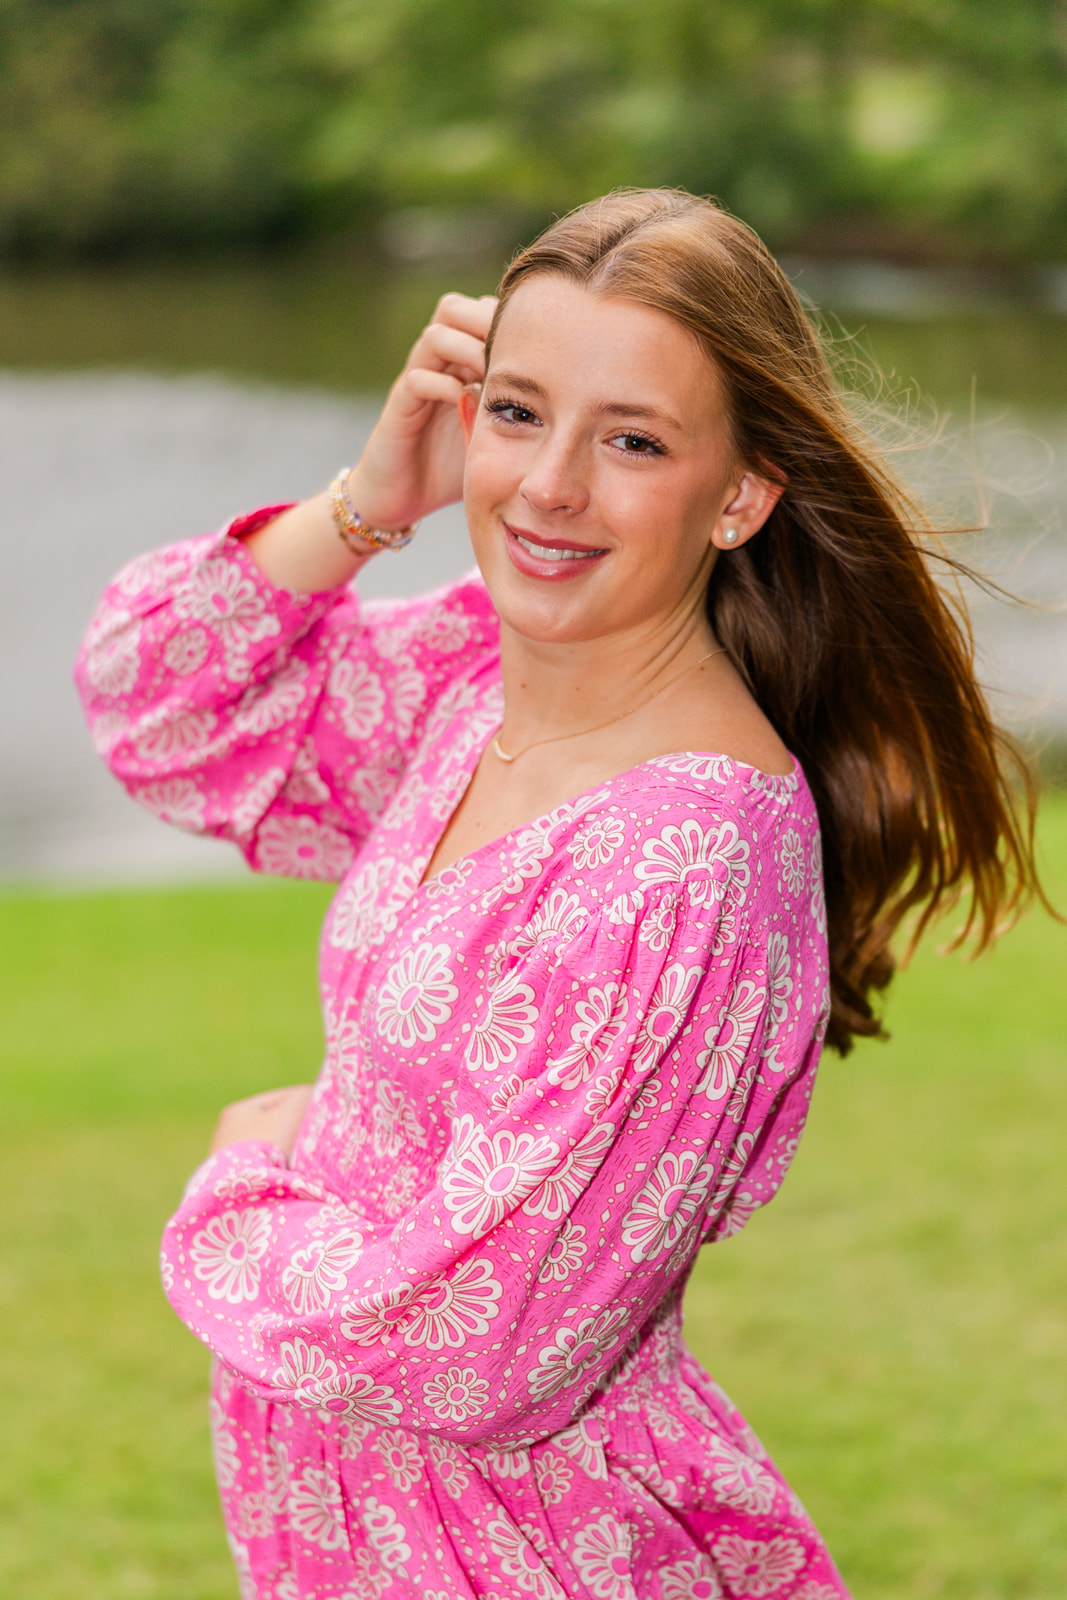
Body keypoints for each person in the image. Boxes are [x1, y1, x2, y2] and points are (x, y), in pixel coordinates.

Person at [76, 188, 1041, 1600]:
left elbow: (484, 1344)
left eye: (633, 440)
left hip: (529, 1558)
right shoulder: (483, 679)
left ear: (742, 492)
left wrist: (251, 1177)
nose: (546, 489)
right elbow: (163, 706)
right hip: (361, 1538)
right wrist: (369, 505)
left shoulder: (684, 866)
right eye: (517, 412)